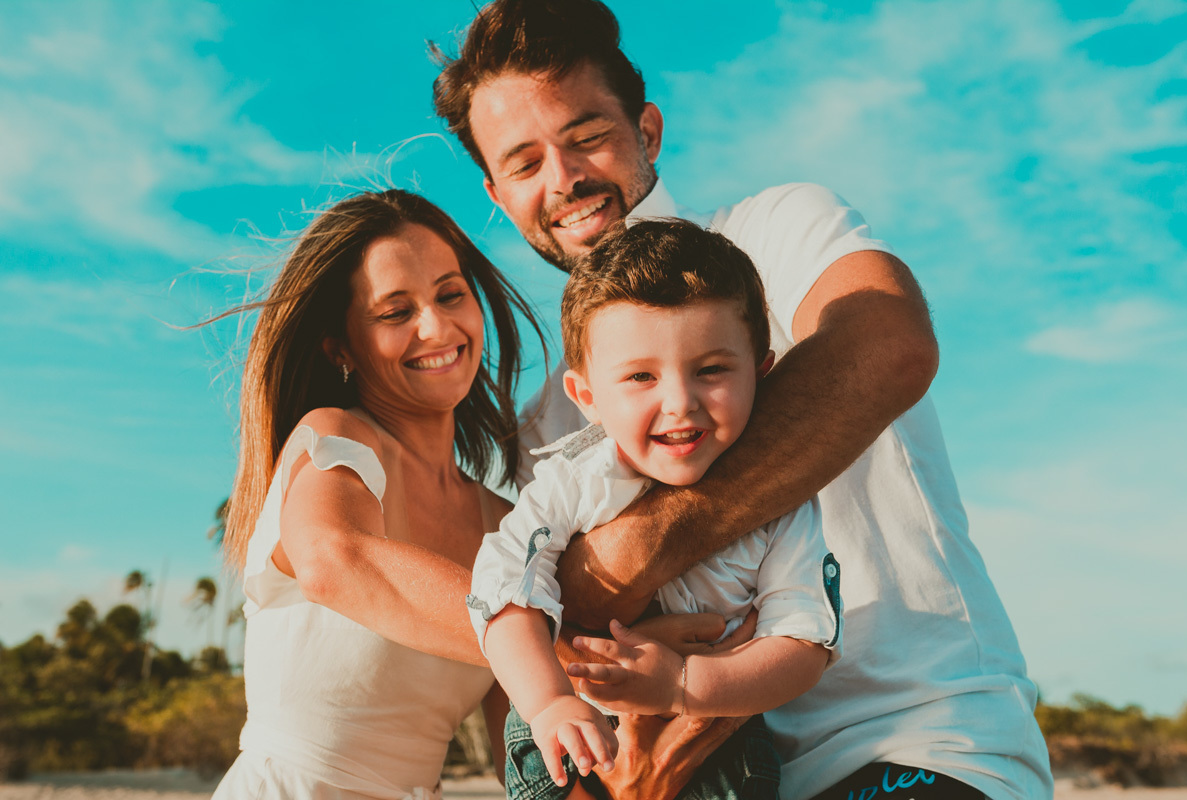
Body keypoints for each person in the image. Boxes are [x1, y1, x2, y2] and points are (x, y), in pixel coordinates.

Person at [430, 2, 1055, 798]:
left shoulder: (779, 229)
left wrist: (627, 556)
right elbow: (539, 656)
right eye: (523, 163)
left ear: (647, 132)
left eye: (587, 136)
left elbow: (887, 342)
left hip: (917, 736)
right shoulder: (549, 425)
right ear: (496, 190)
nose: (564, 178)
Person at [469, 219, 843, 800]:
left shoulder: (781, 501)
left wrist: (683, 683)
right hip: (576, 736)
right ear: (587, 397)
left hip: (724, 747)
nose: (679, 402)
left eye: (712, 370)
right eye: (641, 376)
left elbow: (805, 645)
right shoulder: (574, 480)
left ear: (760, 373)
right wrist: (548, 702)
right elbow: (502, 590)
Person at [210, 189, 544, 799]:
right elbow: (334, 561)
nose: (437, 327)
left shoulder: (506, 523)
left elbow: (515, 741)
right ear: (339, 346)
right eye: (395, 312)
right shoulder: (334, 439)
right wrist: (552, 642)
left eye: (450, 295)